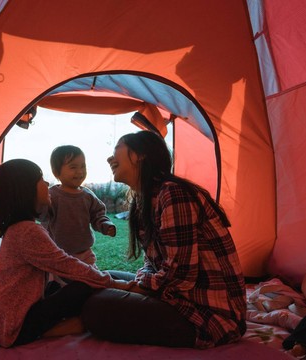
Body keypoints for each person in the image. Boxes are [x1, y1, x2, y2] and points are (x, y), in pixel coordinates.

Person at [81, 130, 247, 349]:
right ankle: (55, 314)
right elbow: (152, 262)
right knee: (99, 277)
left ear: (139, 155)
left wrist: (135, 288)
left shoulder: (173, 194)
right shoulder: (144, 200)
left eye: (116, 150)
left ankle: (54, 319)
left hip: (208, 317)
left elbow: (181, 274)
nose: (110, 159)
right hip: (176, 298)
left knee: (98, 306)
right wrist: (134, 284)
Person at [0, 159, 130, 348]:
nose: (47, 184)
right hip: (10, 324)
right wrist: (118, 284)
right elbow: (69, 266)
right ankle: (47, 330)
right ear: (25, 190)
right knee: (82, 286)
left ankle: (48, 325)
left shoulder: (17, 228)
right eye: (41, 179)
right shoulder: (28, 231)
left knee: (57, 288)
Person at [40, 145, 116, 269]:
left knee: (91, 280)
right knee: (60, 285)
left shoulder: (87, 195)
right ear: (56, 172)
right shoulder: (52, 195)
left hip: (84, 253)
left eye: (83, 166)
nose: (80, 171)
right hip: (57, 254)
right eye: (73, 167)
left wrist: (105, 225)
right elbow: (42, 214)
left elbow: (98, 215)